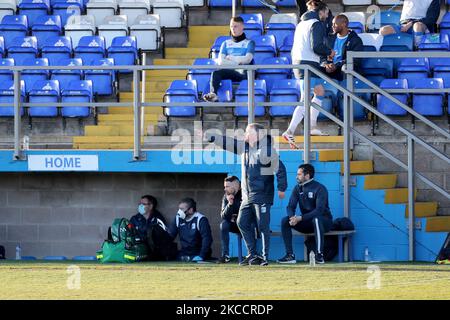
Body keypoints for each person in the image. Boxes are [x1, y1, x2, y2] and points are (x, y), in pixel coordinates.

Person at [207, 123, 288, 266]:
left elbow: (280, 169)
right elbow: (229, 143)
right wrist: (213, 137)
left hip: (262, 195)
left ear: (257, 135)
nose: (244, 135)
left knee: (262, 225)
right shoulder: (244, 148)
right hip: (246, 196)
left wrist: (282, 188)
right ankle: (252, 255)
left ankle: (264, 257)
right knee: (241, 222)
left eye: (247, 132)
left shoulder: (266, 151)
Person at [282, 1, 333, 147]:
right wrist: (329, 52)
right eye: (327, 13)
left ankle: (312, 126)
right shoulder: (315, 23)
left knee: (319, 92)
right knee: (306, 99)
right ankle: (289, 131)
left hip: (302, 62)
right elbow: (316, 46)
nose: (327, 16)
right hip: (308, 63)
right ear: (321, 11)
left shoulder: (301, 23)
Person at [277, 164, 333, 264]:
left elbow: (319, 211)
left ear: (307, 176)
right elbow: (290, 206)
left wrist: (300, 218)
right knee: (285, 221)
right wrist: (292, 217)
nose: (296, 176)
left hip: (324, 222)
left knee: (316, 219)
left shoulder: (320, 188)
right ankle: (290, 255)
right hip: (307, 222)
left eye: (299, 174)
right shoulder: (297, 188)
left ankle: (319, 255)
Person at [203, 16, 255, 102]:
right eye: (231, 26)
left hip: (244, 73)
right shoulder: (226, 43)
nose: (233, 29)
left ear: (242, 27)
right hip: (231, 71)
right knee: (216, 73)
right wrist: (238, 62)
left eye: (236, 26)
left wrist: (231, 58)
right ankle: (213, 94)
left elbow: (247, 59)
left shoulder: (249, 43)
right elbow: (220, 61)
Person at [130, 195, 176, 261]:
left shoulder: (158, 219)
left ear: (151, 206)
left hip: (155, 253)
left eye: (143, 204)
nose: (140, 206)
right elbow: (129, 234)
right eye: (140, 204)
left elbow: (165, 237)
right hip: (139, 250)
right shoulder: (135, 219)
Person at [167, 198, 213, 262]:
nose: (179, 212)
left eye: (182, 209)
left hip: (198, 253)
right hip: (184, 253)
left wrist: (202, 255)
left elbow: (207, 238)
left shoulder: (201, 219)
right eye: (179, 209)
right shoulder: (178, 219)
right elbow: (170, 237)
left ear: (191, 210)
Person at [322, 14, 363, 81]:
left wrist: (337, 65)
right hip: (330, 68)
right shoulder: (329, 39)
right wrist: (325, 64)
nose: (332, 26)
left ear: (344, 24)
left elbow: (355, 59)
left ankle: (347, 90)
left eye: (335, 24)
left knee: (346, 68)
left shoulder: (355, 40)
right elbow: (322, 56)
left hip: (343, 69)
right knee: (316, 68)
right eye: (332, 24)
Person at [218, 176, 243, 263]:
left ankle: (252, 255)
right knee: (224, 224)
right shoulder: (226, 196)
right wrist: (230, 204)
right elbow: (224, 216)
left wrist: (236, 217)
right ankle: (225, 255)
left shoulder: (245, 193)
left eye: (227, 187)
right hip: (234, 225)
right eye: (224, 187)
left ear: (235, 186)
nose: (225, 189)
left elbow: (250, 212)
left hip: (246, 224)